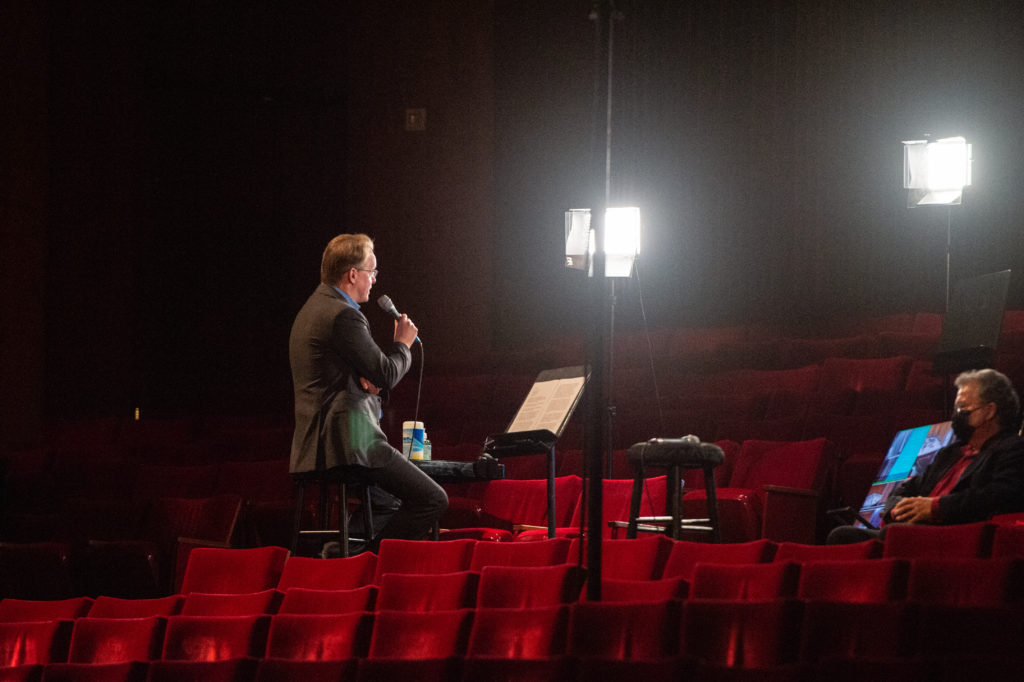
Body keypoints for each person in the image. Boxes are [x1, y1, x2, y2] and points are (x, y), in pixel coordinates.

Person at [289, 233, 447, 554]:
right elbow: (386, 373)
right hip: (350, 441)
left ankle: (344, 553)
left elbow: (365, 375)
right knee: (433, 499)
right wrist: (402, 344)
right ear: (352, 274)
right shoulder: (344, 315)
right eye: (371, 272)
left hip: (315, 443)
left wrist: (371, 380)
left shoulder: (311, 310)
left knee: (387, 499)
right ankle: (365, 561)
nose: (374, 280)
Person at [828, 368, 1024, 543]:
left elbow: (1000, 495)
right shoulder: (951, 453)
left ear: (989, 411)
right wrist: (898, 510)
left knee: (897, 534)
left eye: (963, 408)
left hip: (956, 533)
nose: (956, 415)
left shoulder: (1012, 449)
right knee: (842, 535)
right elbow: (908, 487)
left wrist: (936, 508)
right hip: (913, 530)